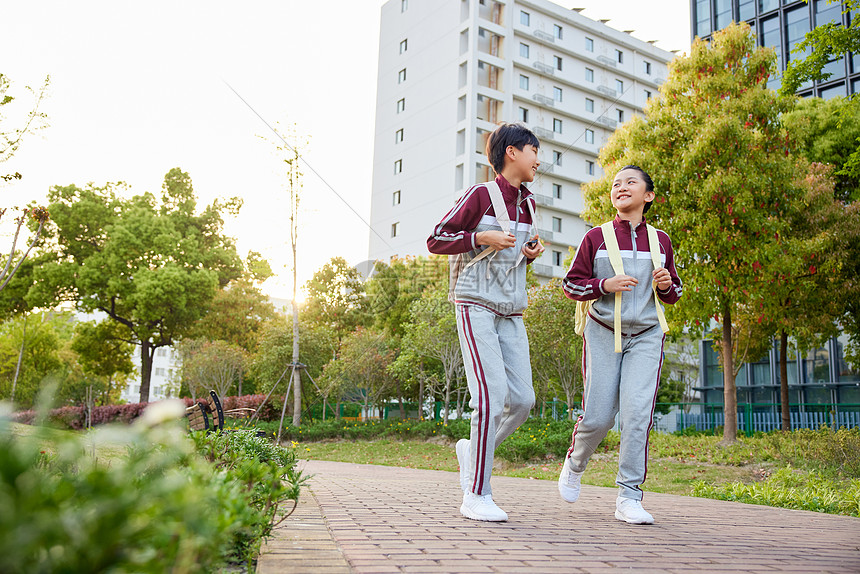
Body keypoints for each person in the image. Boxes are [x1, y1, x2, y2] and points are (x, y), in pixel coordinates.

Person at [427, 122, 544, 522]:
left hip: (511, 308)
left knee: (524, 401)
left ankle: (470, 450)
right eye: (533, 151)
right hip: (474, 301)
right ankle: (476, 493)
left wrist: (529, 253)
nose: (537, 160)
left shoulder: (528, 203)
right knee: (490, 398)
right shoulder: (481, 194)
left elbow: (515, 251)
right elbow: (436, 239)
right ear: (512, 152)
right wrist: (481, 238)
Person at [558, 165, 682, 524]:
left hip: (646, 336)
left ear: (649, 195)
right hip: (601, 332)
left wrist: (663, 286)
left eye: (630, 182)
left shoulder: (661, 241)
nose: (621, 187)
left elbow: (674, 292)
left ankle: (629, 496)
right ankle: (575, 462)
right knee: (598, 417)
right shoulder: (595, 237)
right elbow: (571, 285)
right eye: (616, 184)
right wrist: (604, 285)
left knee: (636, 416)